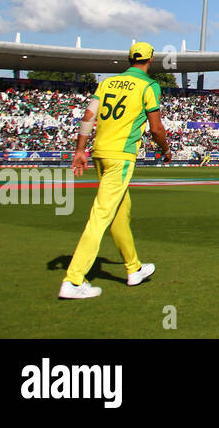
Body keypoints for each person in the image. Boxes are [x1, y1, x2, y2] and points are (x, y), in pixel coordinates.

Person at [59, 42, 171, 300]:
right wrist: (165, 150)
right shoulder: (149, 86)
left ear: (128, 58)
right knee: (101, 216)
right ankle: (74, 280)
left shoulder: (107, 83)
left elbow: (88, 117)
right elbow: (156, 129)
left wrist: (79, 150)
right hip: (121, 158)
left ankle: (134, 269)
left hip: (99, 153)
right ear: (150, 60)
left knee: (120, 214)